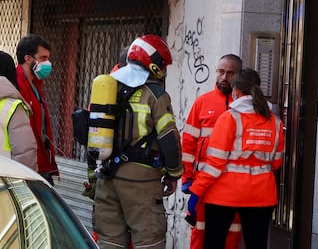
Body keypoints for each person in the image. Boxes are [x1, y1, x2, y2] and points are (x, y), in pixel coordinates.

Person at [93, 35, 183, 249]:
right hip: (141, 182)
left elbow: (90, 129)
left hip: (106, 177)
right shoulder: (156, 95)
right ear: (154, 64)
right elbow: (169, 139)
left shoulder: (106, 87)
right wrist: (174, 174)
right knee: (149, 242)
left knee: (109, 242)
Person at [184, 68, 285, 249]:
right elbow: (276, 162)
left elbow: (215, 164)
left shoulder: (229, 118)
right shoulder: (275, 122)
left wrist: (196, 191)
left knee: (214, 243)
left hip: (224, 196)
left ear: (235, 91)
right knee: (257, 244)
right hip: (262, 195)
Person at [181, 54, 243, 249]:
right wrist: (187, 178)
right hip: (203, 183)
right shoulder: (202, 102)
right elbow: (188, 143)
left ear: (238, 75)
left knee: (231, 236)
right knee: (199, 233)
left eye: (231, 73)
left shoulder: (245, 107)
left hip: (233, 184)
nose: (224, 77)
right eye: (221, 71)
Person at [16, 35, 59, 184]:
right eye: (43, 58)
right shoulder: (15, 85)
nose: (47, 63)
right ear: (28, 59)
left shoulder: (36, 84)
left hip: (40, 160)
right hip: (28, 165)